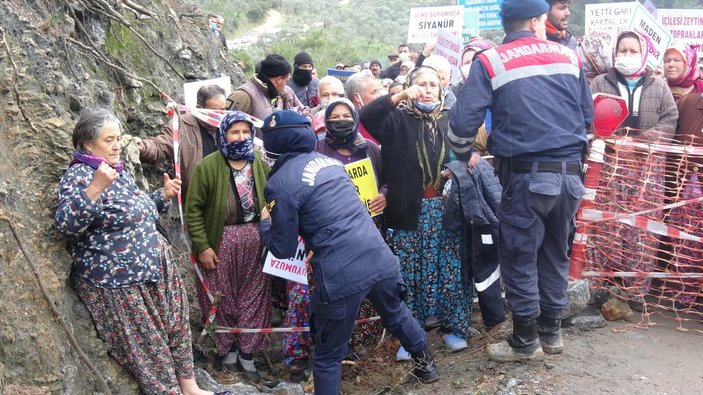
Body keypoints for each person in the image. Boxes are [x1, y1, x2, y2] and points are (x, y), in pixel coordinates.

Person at [449, 0, 593, 362]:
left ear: (508, 21)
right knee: (555, 253)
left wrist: (466, 155)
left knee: (519, 255)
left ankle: (525, 341)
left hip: (525, 178)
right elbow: (587, 116)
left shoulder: (491, 61)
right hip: (570, 178)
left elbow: (462, 124)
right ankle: (552, 333)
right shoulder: (568, 57)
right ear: (536, 20)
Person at [259, 110, 439, 394]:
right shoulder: (328, 163)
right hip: (378, 255)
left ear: (274, 144)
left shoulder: (280, 184)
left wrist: (265, 222)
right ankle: (427, 366)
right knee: (396, 313)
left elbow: (281, 249)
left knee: (327, 354)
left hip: (340, 273)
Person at [55, 108, 225, 395]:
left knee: (177, 325)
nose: (116, 145)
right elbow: (66, 224)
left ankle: (189, 386)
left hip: (155, 267)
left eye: (118, 138)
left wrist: (162, 196)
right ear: (87, 143)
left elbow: (133, 211)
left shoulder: (115, 171)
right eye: (109, 140)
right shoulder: (80, 176)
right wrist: (95, 188)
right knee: (147, 343)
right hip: (118, 281)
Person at [360, 66, 475, 360]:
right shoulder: (395, 120)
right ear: (411, 87)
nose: (427, 90)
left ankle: (454, 329)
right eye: (421, 84)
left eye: (433, 85)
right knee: (409, 273)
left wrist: (457, 168)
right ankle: (410, 337)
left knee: (449, 268)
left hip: (446, 209)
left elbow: (467, 153)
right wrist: (400, 95)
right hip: (406, 210)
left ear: (441, 90)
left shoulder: (450, 121)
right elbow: (367, 116)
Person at [589, 30, 678, 311]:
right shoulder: (600, 82)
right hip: (609, 167)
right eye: (622, 50)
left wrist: (639, 145)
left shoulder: (659, 85)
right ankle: (598, 287)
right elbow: (588, 116)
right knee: (604, 225)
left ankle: (636, 291)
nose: (627, 55)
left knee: (643, 228)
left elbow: (670, 119)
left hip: (647, 168)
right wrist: (614, 142)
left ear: (644, 53)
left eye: (633, 50)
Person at [185, 111, 271, 382]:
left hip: (255, 239)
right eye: (235, 132)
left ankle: (248, 354)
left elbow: (270, 195)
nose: (241, 137)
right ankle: (226, 353)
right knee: (220, 296)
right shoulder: (208, 166)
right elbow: (194, 209)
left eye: (246, 132)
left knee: (254, 296)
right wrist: (202, 246)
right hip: (219, 242)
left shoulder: (257, 161)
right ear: (223, 134)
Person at [135, 84, 226, 201]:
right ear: (199, 107)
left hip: (224, 195)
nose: (220, 116)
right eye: (214, 111)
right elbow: (160, 146)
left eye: (223, 110)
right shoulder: (180, 127)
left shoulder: (229, 125)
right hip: (197, 198)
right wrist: (143, 146)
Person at [226, 54, 303, 121]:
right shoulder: (242, 96)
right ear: (279, 79)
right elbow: (223, 127)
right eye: (286, 80)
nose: (286, 84)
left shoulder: (272, 94)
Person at [346, 71, 383, 144]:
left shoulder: (385, 117)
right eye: (374, 92)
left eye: (378, 91)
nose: (380, 96)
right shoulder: (348, 125)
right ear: (357, 97)